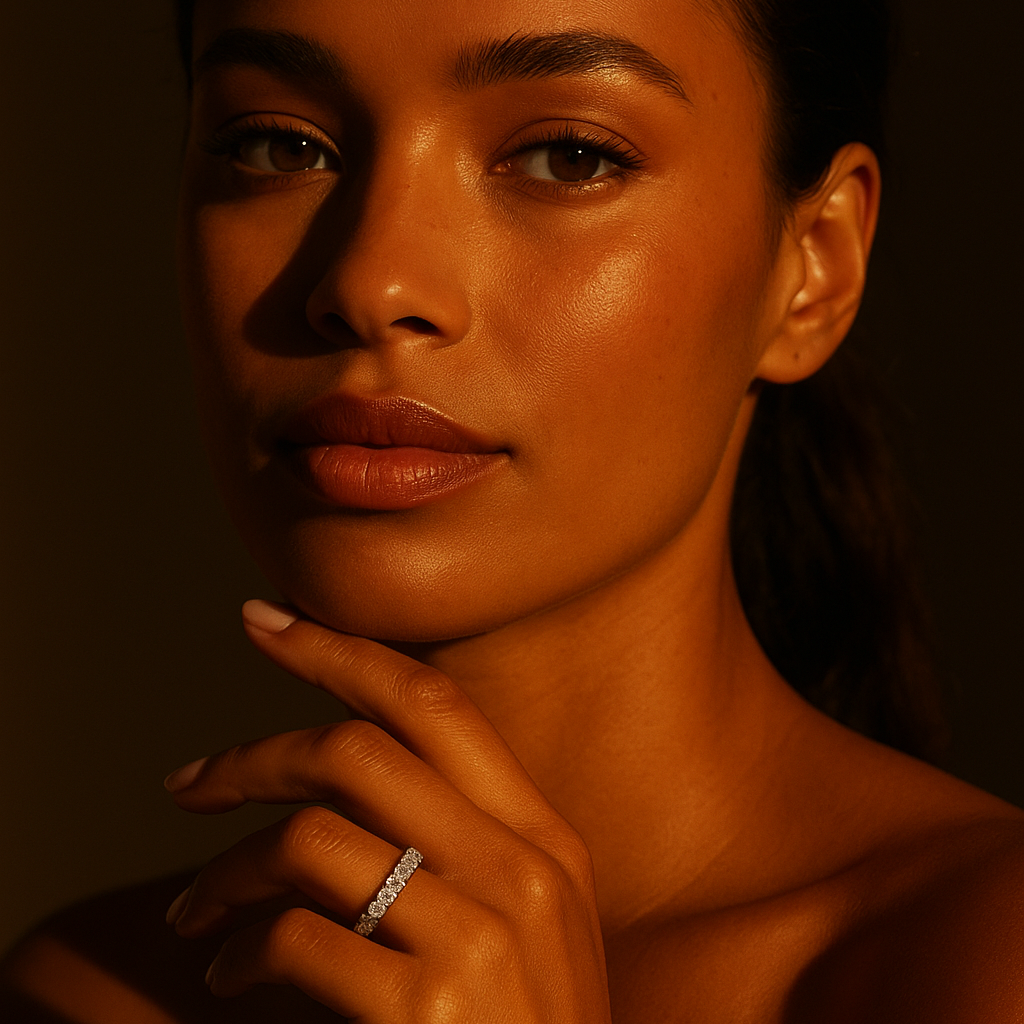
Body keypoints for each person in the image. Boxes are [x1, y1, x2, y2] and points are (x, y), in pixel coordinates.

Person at [3, 0, 1023, 1020]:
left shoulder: (980, 965)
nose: (370, 281)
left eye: (567, 157)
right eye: (278, 144)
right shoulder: (92, 993)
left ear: (813, 270)